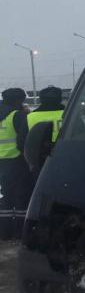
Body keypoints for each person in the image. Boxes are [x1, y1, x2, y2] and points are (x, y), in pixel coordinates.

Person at [0, 88, 32, 239]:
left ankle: (5, 232)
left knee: (6, 197)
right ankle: (20, 232)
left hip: (1, 163)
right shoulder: (17, 116)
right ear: (18, 100)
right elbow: (22, 141)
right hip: (16, 161)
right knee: (21, 196)